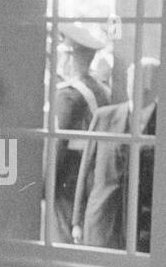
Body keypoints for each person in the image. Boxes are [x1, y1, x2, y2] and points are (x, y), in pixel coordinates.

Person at [72, 58, 158, 252]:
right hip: (102, 226)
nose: (138, 87)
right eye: (133, 80)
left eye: (146, 82)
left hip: (148, 235)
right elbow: (86, 170)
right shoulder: (104, 117)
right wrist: (76, 221)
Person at [53, 24, 111, 244]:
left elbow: (57, 147)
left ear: (69, 57)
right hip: (92, 179)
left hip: (67, 182)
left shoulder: (69, 96)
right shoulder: (102, 90)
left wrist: (45, 187)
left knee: (62, 240)